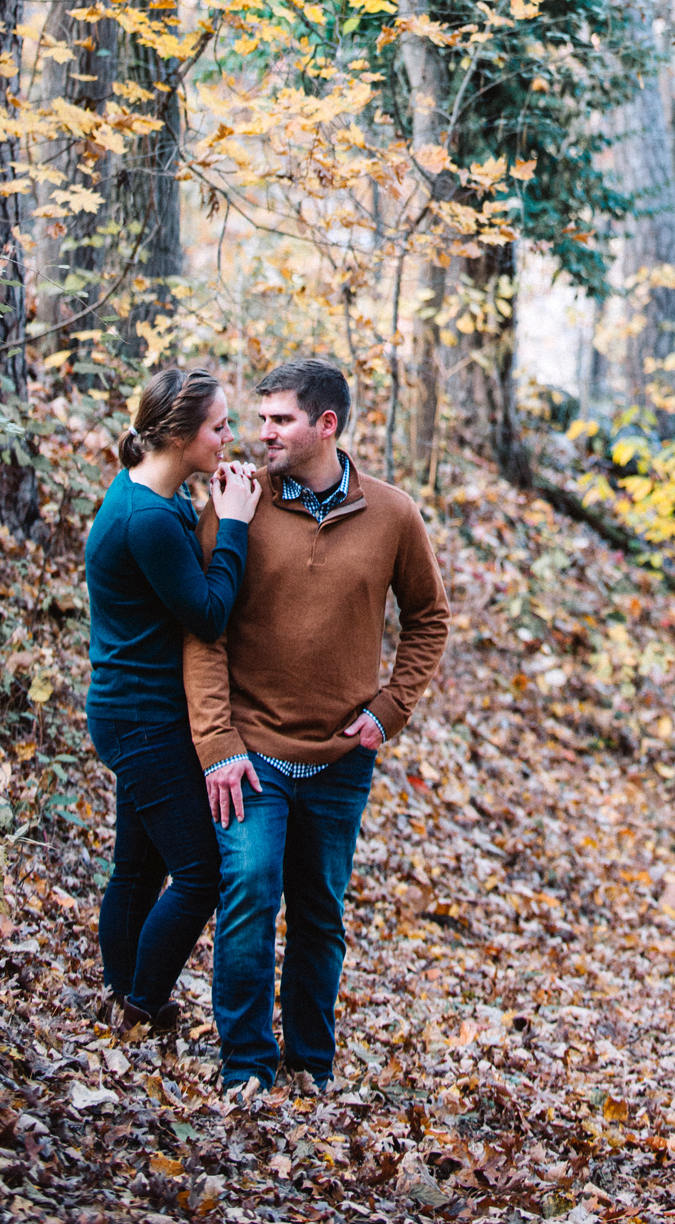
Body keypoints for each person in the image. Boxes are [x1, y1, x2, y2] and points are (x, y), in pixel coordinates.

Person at [184, 355, 450, 1094]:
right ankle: (246, 1067)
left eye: (279, 420)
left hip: (341, 758)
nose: (261, 434)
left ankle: (310, 1064)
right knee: (248, 895)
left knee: (320, 915)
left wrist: (391, 708)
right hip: (251, 752)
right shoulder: (237, 504)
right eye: (260, 419)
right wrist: (216, 745)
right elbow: (203, 631)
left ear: (325, 425)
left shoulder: (393, 514)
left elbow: (429, 617)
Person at [84, 366, 262, 1033]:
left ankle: (122, 997)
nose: (229, 437)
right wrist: (236, 524)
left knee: (135, 868)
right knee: (199, 873)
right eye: (219, 427)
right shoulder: (150, 522)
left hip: (128, 710)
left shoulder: (144, 499)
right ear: (183, 435)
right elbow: (209, 614)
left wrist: (208, 511)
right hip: (144, 721)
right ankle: (142, 1004)